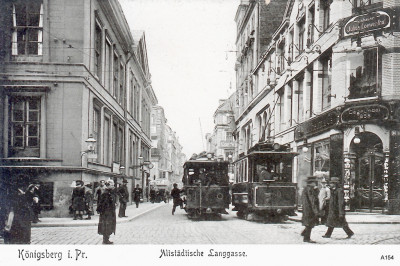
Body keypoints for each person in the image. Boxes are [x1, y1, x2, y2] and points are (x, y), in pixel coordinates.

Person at [97, 180, 116, 244]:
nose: (113, 186)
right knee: (106, 225)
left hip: (110, 212)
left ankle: (106, 239)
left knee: (109, 225)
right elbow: (102, 203)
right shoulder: (106, 193)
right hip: (106, 213)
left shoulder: (110, 192)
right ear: (108, 185)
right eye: (112, 185)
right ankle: (105, 240)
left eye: (113, 185)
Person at [301, 176, 320, 243]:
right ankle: (306, 238)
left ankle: (304, 233)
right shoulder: (310, 190)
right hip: (310, 209)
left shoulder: (306, 189)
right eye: (315, 182)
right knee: (310, 224)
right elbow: (312, 200)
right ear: (312, 183)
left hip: (306, 208)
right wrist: (316, 211)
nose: (316, 183)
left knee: (308, 223)